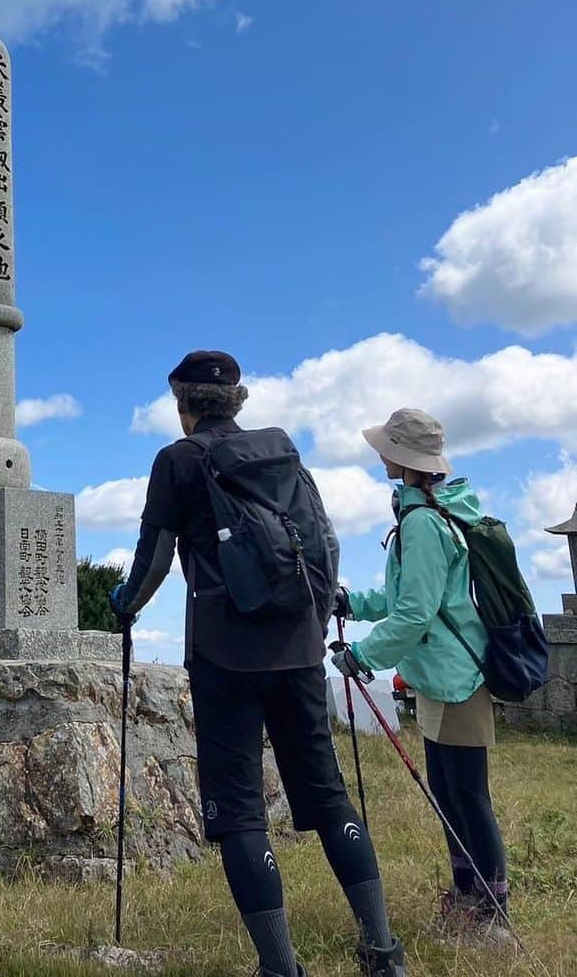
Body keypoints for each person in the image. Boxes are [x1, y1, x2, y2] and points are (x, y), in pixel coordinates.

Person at [109, 351, 405, 977]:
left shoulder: (178, 460)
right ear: (236, 401)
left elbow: (155, 556)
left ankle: (280, 968)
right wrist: (315, 621)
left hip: (224, 655)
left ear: (182, 403)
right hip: (298, 648)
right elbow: (324, 541)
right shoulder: (281, 454)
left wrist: (125, 605)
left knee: (240, 810)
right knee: (327, 798)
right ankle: (382, 950)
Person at [331, 408, 510, 943]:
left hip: (455, 679)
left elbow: (416, 613)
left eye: (387, 447)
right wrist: (351, 602)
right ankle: (467, 901)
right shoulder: (422, 514)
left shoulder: (424, 523)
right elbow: (400, 597)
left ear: (403, 459)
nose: (380, 454)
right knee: (450, 793)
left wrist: (362, 656)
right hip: (440, 677)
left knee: (467, 796)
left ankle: (492, 913)